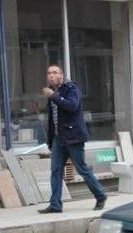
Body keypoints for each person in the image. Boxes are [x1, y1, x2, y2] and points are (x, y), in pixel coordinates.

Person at [38, 64, 106, 214]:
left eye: (55, 73)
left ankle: (100, 195)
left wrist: (53, 96)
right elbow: (52, 120)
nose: (51, 76)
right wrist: (50, 140)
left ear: (61, 75)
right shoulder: (53, 93)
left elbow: (72, 106)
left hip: (73, 136)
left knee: (81, 168)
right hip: (58, 138)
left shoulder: (71, 88)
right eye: (49, 73)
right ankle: (55, 204)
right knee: (55, 171)